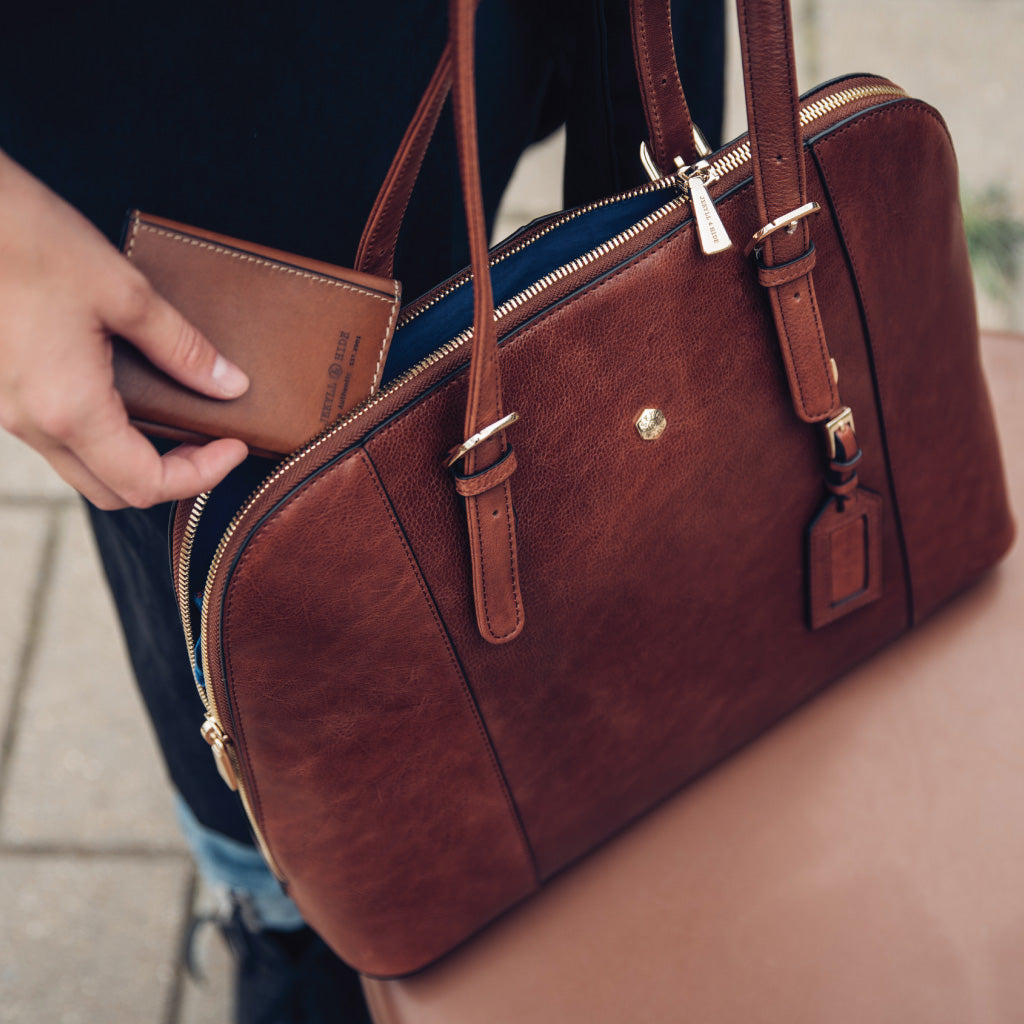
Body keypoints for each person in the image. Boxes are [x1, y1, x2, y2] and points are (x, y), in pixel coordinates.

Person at [0, 2, 724, 1020]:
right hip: (177, 66)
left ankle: (652, 678)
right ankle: (287, 906)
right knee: (245, 537)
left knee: (652, 286)